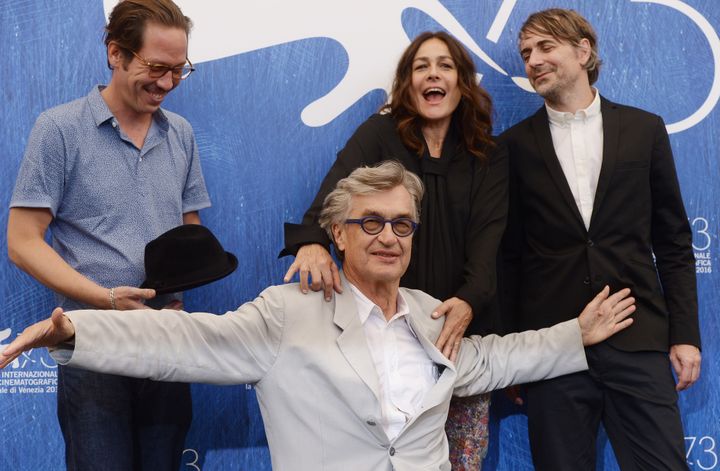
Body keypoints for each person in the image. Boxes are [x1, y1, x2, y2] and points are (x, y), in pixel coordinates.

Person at [3, 162, 635, 471]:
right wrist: (75, 330)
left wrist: (576, 334)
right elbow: (184, 338)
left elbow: (494, 358)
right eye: (371, 222)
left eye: (402, 224)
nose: (389, 236)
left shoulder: (428, 314)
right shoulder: (288, 314)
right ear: (338, 233)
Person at [280, 31, 505, 469]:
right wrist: (310, 243)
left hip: (460, 335)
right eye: (421, 66)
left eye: (445, 65)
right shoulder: (378, 134)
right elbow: (329, 205)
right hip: (389, 334)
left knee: (460, 463)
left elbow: (489, 242)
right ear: (407, 82)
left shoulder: (488, 155)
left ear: (462, 82)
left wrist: (469, 303)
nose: (433, 74)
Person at [6, 0, 210, 469]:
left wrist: (183, 285)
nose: (167, 84)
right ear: (115, 53)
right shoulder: (58, 129)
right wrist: (106, 299)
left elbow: (188, 228)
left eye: (179, 70)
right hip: (92, 342)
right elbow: (22, 241)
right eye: (156, 67)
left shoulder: (180, 133)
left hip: (166, 340)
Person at [500, 8, 701, 470]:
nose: (533, 60)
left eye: (546, 47)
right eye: (526, 52)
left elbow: (672, 240)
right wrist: (515, 351)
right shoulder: (511, 147)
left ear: (583, 50)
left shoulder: (644, 129)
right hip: (554, 349)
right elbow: (508, 258)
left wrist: (685, 335)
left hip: (639, 339)